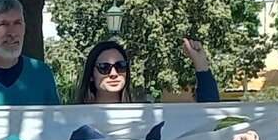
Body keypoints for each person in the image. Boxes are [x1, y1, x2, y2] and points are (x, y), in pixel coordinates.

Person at [73, 38, 220, 103]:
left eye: (121, 66)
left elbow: (207, 117)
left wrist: (201, 64)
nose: (113, 74)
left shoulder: (145, 117)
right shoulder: (71, 119)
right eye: (104, 68)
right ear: (91, 75)